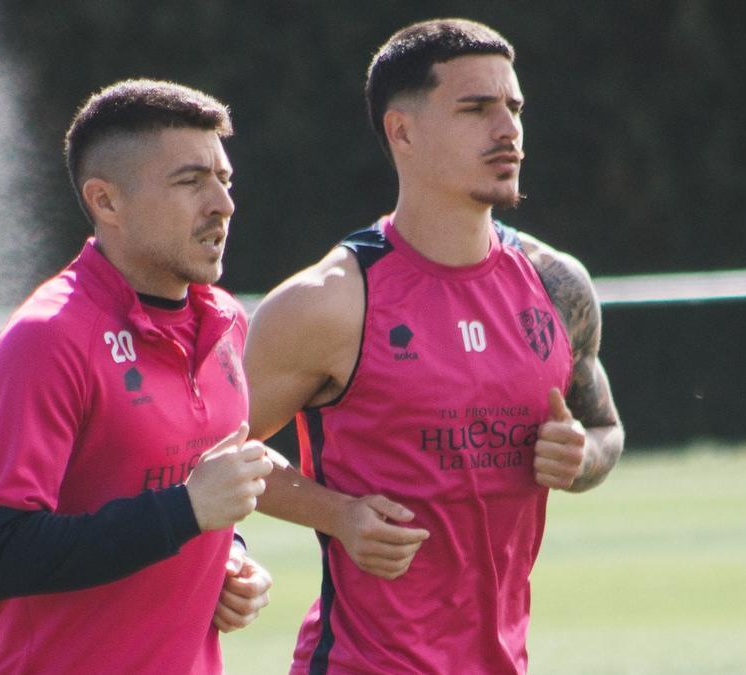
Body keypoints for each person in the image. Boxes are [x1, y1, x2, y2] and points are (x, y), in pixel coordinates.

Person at [244, 19, 625, 674]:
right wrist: (338, 514)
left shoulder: (558, 286)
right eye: (476, 109)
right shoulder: (329, 302)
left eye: (514, 108)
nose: (507, 130)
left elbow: (605, 429)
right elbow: (202, 446)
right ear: (403, 131)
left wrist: (582, 455)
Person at [0, 79, 275, 674]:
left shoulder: (226, 322)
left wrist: (228, 556)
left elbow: (197, 495)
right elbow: (1, 553)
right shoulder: (48, 337)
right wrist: (187, 512)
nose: (222, 204)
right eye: (190, 181)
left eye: (224, 180)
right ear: (107, 201)